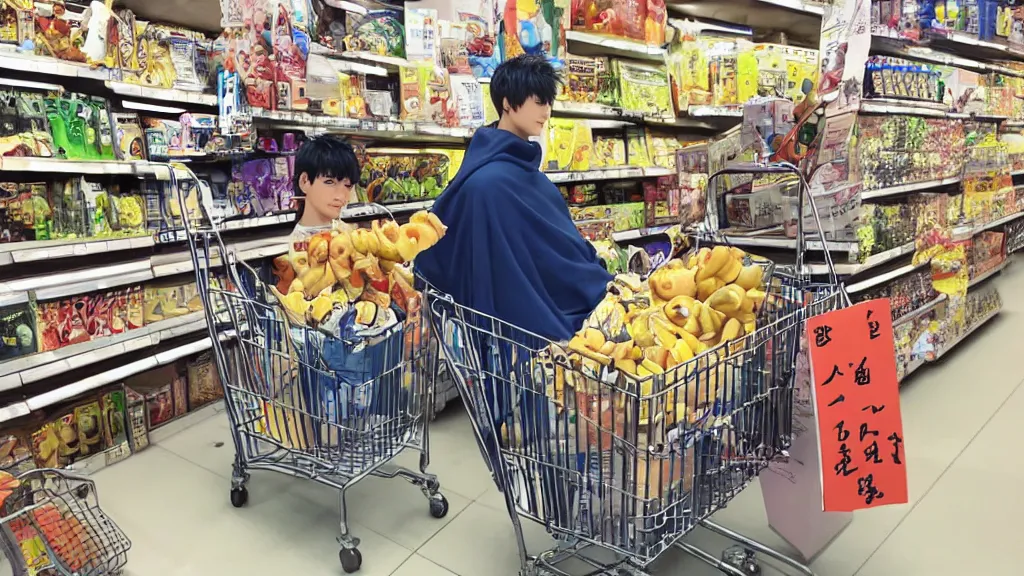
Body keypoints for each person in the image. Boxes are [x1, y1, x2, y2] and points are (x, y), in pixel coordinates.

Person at [415, 55, 613, 342]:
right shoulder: (490, 183)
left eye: (548, 102)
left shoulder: (512, 175)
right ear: (507, 103)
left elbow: (559, 249)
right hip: (524, 337)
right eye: (538, 100)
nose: (546, 111)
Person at [288, 135, 361, 258]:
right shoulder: (297, 246)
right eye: (329, 182)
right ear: (305, 181)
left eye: (348, 185)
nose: (341, 196)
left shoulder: (347, 233)